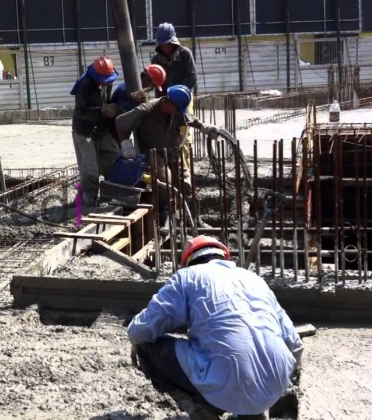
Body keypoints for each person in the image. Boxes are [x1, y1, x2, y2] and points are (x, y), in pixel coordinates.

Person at [127, 235, 304, 420]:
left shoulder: (187, 277)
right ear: (224, 256)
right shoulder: (255, 279)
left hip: (227, 385)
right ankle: (253, 413)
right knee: (243, 355)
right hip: (275, 385)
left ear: (188, 261)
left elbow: (140, 330)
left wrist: (136, 340)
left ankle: (201, 411)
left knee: (146, 346)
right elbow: (296, 345)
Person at [115, 84, 217, 233]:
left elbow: (190, 120)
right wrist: (125, 144)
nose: (179, 113)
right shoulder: (146, 109)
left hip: (174, 151)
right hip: (154, 153)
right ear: (168, 103)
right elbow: (120, 122)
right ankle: (165, 220)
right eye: (176, 109)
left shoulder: (178, 108)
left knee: (186, 185)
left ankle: (195, 220)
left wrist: (204, 127)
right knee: (165, 184)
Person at [151, 22, 198, 193]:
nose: (165, 46)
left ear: (173, 41)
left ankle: (185, 175)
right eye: (162, 44)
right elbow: (156, 83)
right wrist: (162, 104)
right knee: (166, 136)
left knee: (183, 135)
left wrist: (181, 98)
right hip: (166, 101)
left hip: (184, 99)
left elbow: (192, 78)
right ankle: (170, 171)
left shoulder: (185, 54)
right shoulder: (157, 60)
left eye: (167, 43)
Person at [70, 55, 122, 207]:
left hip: (100, 127)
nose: (105, 83)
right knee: (90, 168)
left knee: (113, 156)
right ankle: (88, 199)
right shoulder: (85, 85)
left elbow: (107, 102)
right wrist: (100, 111)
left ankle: (110, 191)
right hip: (84, 130)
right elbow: (80, 112)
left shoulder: (107, 83)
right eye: (102, 79)